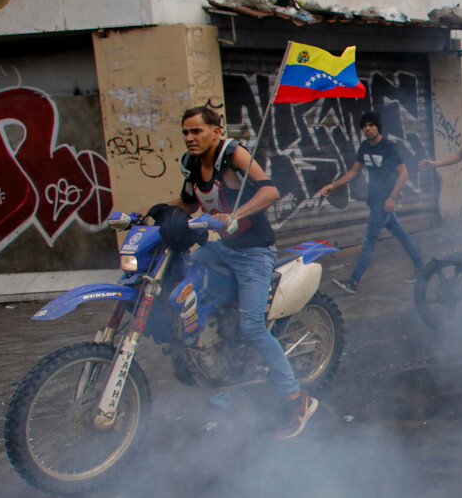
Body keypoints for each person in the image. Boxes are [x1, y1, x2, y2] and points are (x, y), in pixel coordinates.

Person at [162, 106, 316, 439]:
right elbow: (188, 202)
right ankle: (204, 339)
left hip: (254, 254)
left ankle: (295, 397)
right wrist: (151, 213)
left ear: (216, 130)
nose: (190, 138)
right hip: (223, 250)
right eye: (185, 132)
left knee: (252, 326)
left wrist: (237, 214)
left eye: (197, 131)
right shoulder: (191, 164)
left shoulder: (232, 155)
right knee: (186, 269)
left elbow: (270, 191)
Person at [323, 111, 425, 293]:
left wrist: (392, 198)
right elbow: (354, 172)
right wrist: (334, 185)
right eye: (364, 126)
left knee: (369, 241)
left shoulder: (389, 147)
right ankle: (420, 269)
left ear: (378, 127)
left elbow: (404, 173)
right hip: (376, 199)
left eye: (371, 125)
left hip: (384, 202)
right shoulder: (364, 147)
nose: (367, 129)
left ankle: (353, 282)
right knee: (401, 234)